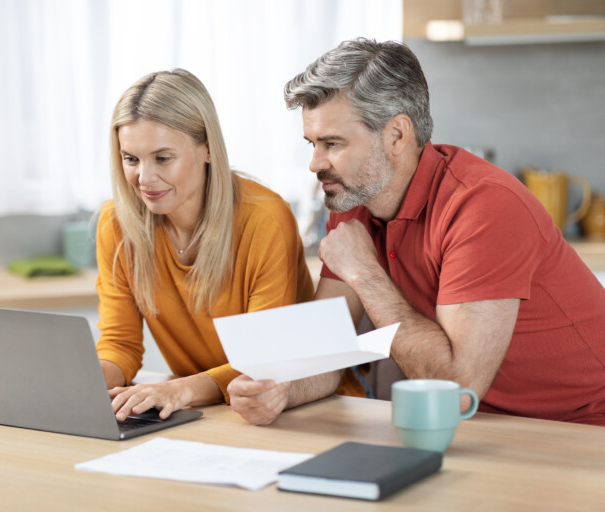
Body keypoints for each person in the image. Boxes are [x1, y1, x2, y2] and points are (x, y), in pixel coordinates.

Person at [228, 38, 605, 426]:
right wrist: (279, 390)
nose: (314, 163)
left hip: (581, 428)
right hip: (482, 425)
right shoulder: (352, 201)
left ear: (396, 135)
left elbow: (456, 389)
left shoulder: (484, 207)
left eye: (332, 144)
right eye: (312, 143)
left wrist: (363, 272)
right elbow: (326, 355)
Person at [95, 68, 318, 422]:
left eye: (163, 158)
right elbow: (119, 345)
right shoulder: (117, 224)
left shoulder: (265, 220)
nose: (145, 178)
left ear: (208, 150)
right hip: (211, 412)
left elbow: (261, 364)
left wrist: (177, 389)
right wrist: (78, 382)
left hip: (297, 410)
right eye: (131, 159)